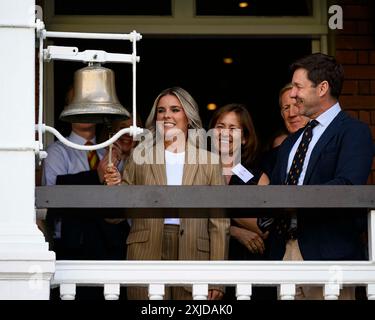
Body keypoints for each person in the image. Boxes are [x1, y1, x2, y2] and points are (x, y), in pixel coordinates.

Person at [105, 87, 230, 300]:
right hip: (146, 250)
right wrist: (114, 190)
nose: (167, 116)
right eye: (161, 111)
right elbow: (115, 216)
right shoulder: (138, 156)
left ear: (188, 117)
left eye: (175, 109)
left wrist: (217, 277)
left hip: (194, 251)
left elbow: (219, 223)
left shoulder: (209, 162)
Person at [267, 53, 374, 299]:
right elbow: (274, 191)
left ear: (323, 88)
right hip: (284, 253)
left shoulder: (353, 132)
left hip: (329, 256)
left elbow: (347, 187)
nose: (292, 94)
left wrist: (294, 199)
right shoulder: (291, 142)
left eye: (298, 86)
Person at [209, 103, 276, 300]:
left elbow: (265, 227)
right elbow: (189, 221)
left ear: (245, 138)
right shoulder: (197, 173)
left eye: (233, 128)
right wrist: (234, 230)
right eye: (220, 126)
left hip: (249, 269)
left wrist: (220, 211)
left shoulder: (256, 177)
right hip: (208, 266)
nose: (225, 133)